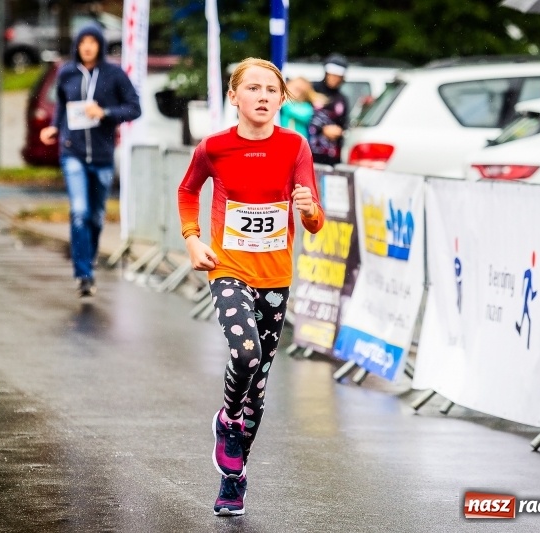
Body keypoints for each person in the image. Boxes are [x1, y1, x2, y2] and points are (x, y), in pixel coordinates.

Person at [178, 57, 325, 516]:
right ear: (233, 96)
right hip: (228, 267)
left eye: (271, 90)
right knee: (245, 355)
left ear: (283, 99)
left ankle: (234, 479)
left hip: (276, 275)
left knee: (258, 387)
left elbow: (316, 221)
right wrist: (192, 239)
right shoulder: (214, 147)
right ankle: (227, 419)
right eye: (253, 88)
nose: (262, 96)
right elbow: (188, 191)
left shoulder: (295, 147)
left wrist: (307, 208)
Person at [39, 24, 140, 297]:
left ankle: (89, 259)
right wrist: (54, 126)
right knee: (80, 212)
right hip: (72, 152)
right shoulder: (67, 72)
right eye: (82, 42)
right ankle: (83, 272)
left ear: (99, 45)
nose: (87, 46)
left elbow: (134, 108)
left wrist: (105, 112)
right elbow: (61, 105)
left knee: (95, 217)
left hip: (103, 155)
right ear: (76, 45)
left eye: (92, 41)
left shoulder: (114, 75)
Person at [309, 53, 350, 165]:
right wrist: (322, 129)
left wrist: (339, 131)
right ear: (326, 73)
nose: (334, 78)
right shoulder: (312, 90)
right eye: (332, 74)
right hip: (309, 153)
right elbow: (301, 115)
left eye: (338, 76)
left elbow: (344, 124)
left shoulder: (342, 99)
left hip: (331, 156)